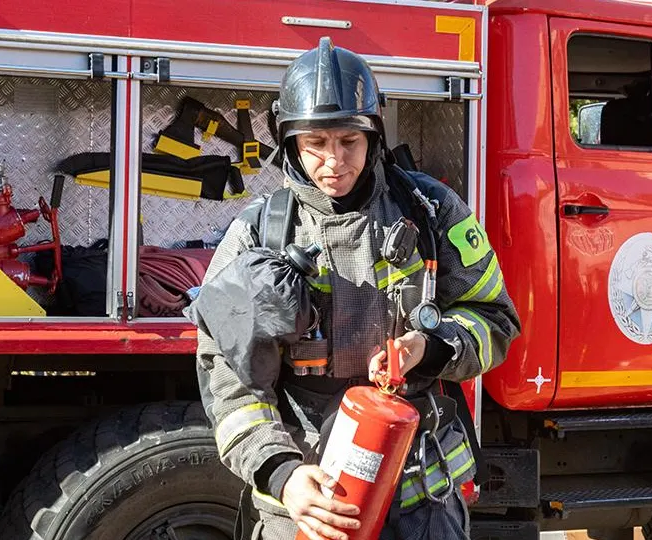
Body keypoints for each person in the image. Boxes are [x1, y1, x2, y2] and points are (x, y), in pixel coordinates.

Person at [195, 36, 521, 540]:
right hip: (312, 502)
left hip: (422, 497)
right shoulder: (258, 235)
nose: (334, 162)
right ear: (290, 144)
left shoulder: (431, 211)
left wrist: (430, 347)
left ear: (374, 135)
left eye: (349, 141)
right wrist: (283, 475)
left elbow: (494, 317)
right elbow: (230, 381)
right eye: (315, 145)